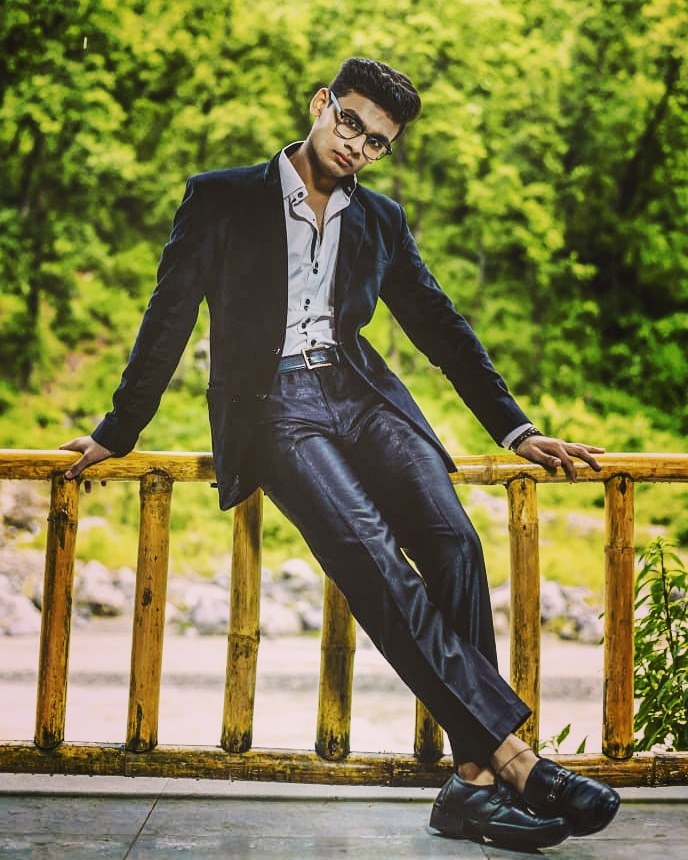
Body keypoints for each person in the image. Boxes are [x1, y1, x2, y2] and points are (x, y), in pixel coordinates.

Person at [61, 58, 620, 849]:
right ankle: (514, 763)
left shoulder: (380, 219)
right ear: (322, 104)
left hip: (361, 395)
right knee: (374, 558)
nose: (357, 144)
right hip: (274, 407)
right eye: (350, 122)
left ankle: (473, 782)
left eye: (377, 141)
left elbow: (439, 325)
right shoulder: (222, 197)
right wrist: (118, 429)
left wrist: (517, 429)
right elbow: (169, 316)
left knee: (454, 543)